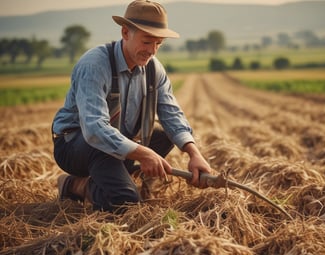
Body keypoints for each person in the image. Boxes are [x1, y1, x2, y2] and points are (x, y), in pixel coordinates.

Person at [51, 0, 211, 212]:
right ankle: (76, 184)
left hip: (116, 141)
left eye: (158, 44)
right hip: (77, 145)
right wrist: (145, 154)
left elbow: (171, 114)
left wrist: (194, 153)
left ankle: (131, 179)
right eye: (146, 42)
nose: (152, 50)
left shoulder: (154, 68)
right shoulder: (94, 65)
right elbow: (95, 130)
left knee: (164, 134)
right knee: (126, 203)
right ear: (125, 33)